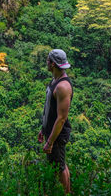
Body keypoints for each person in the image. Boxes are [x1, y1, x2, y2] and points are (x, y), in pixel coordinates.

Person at [38, 49, 73, 194]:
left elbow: (61, 118)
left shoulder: (63, 87)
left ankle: (66, 193)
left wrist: (50, 141)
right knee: (61, 164)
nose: (46, 62)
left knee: (60, 168)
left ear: (52, 64)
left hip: (57, 135)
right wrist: (43, 129)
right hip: (51, 131)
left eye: (47, 60)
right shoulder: (55, 80)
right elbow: (50, 110)